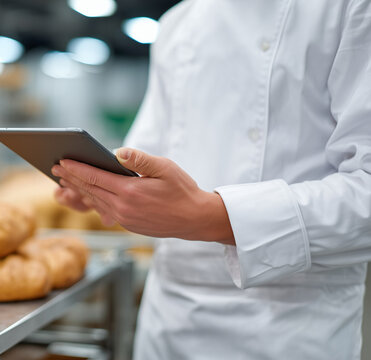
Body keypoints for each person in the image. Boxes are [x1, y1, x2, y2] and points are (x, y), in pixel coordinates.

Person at [51, 1, 371, 359]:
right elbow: (150, 154)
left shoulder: (349, 8)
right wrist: (108, 186)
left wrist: (211, 216)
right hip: (169, 317)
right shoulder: (178, 22)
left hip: (288, 324)